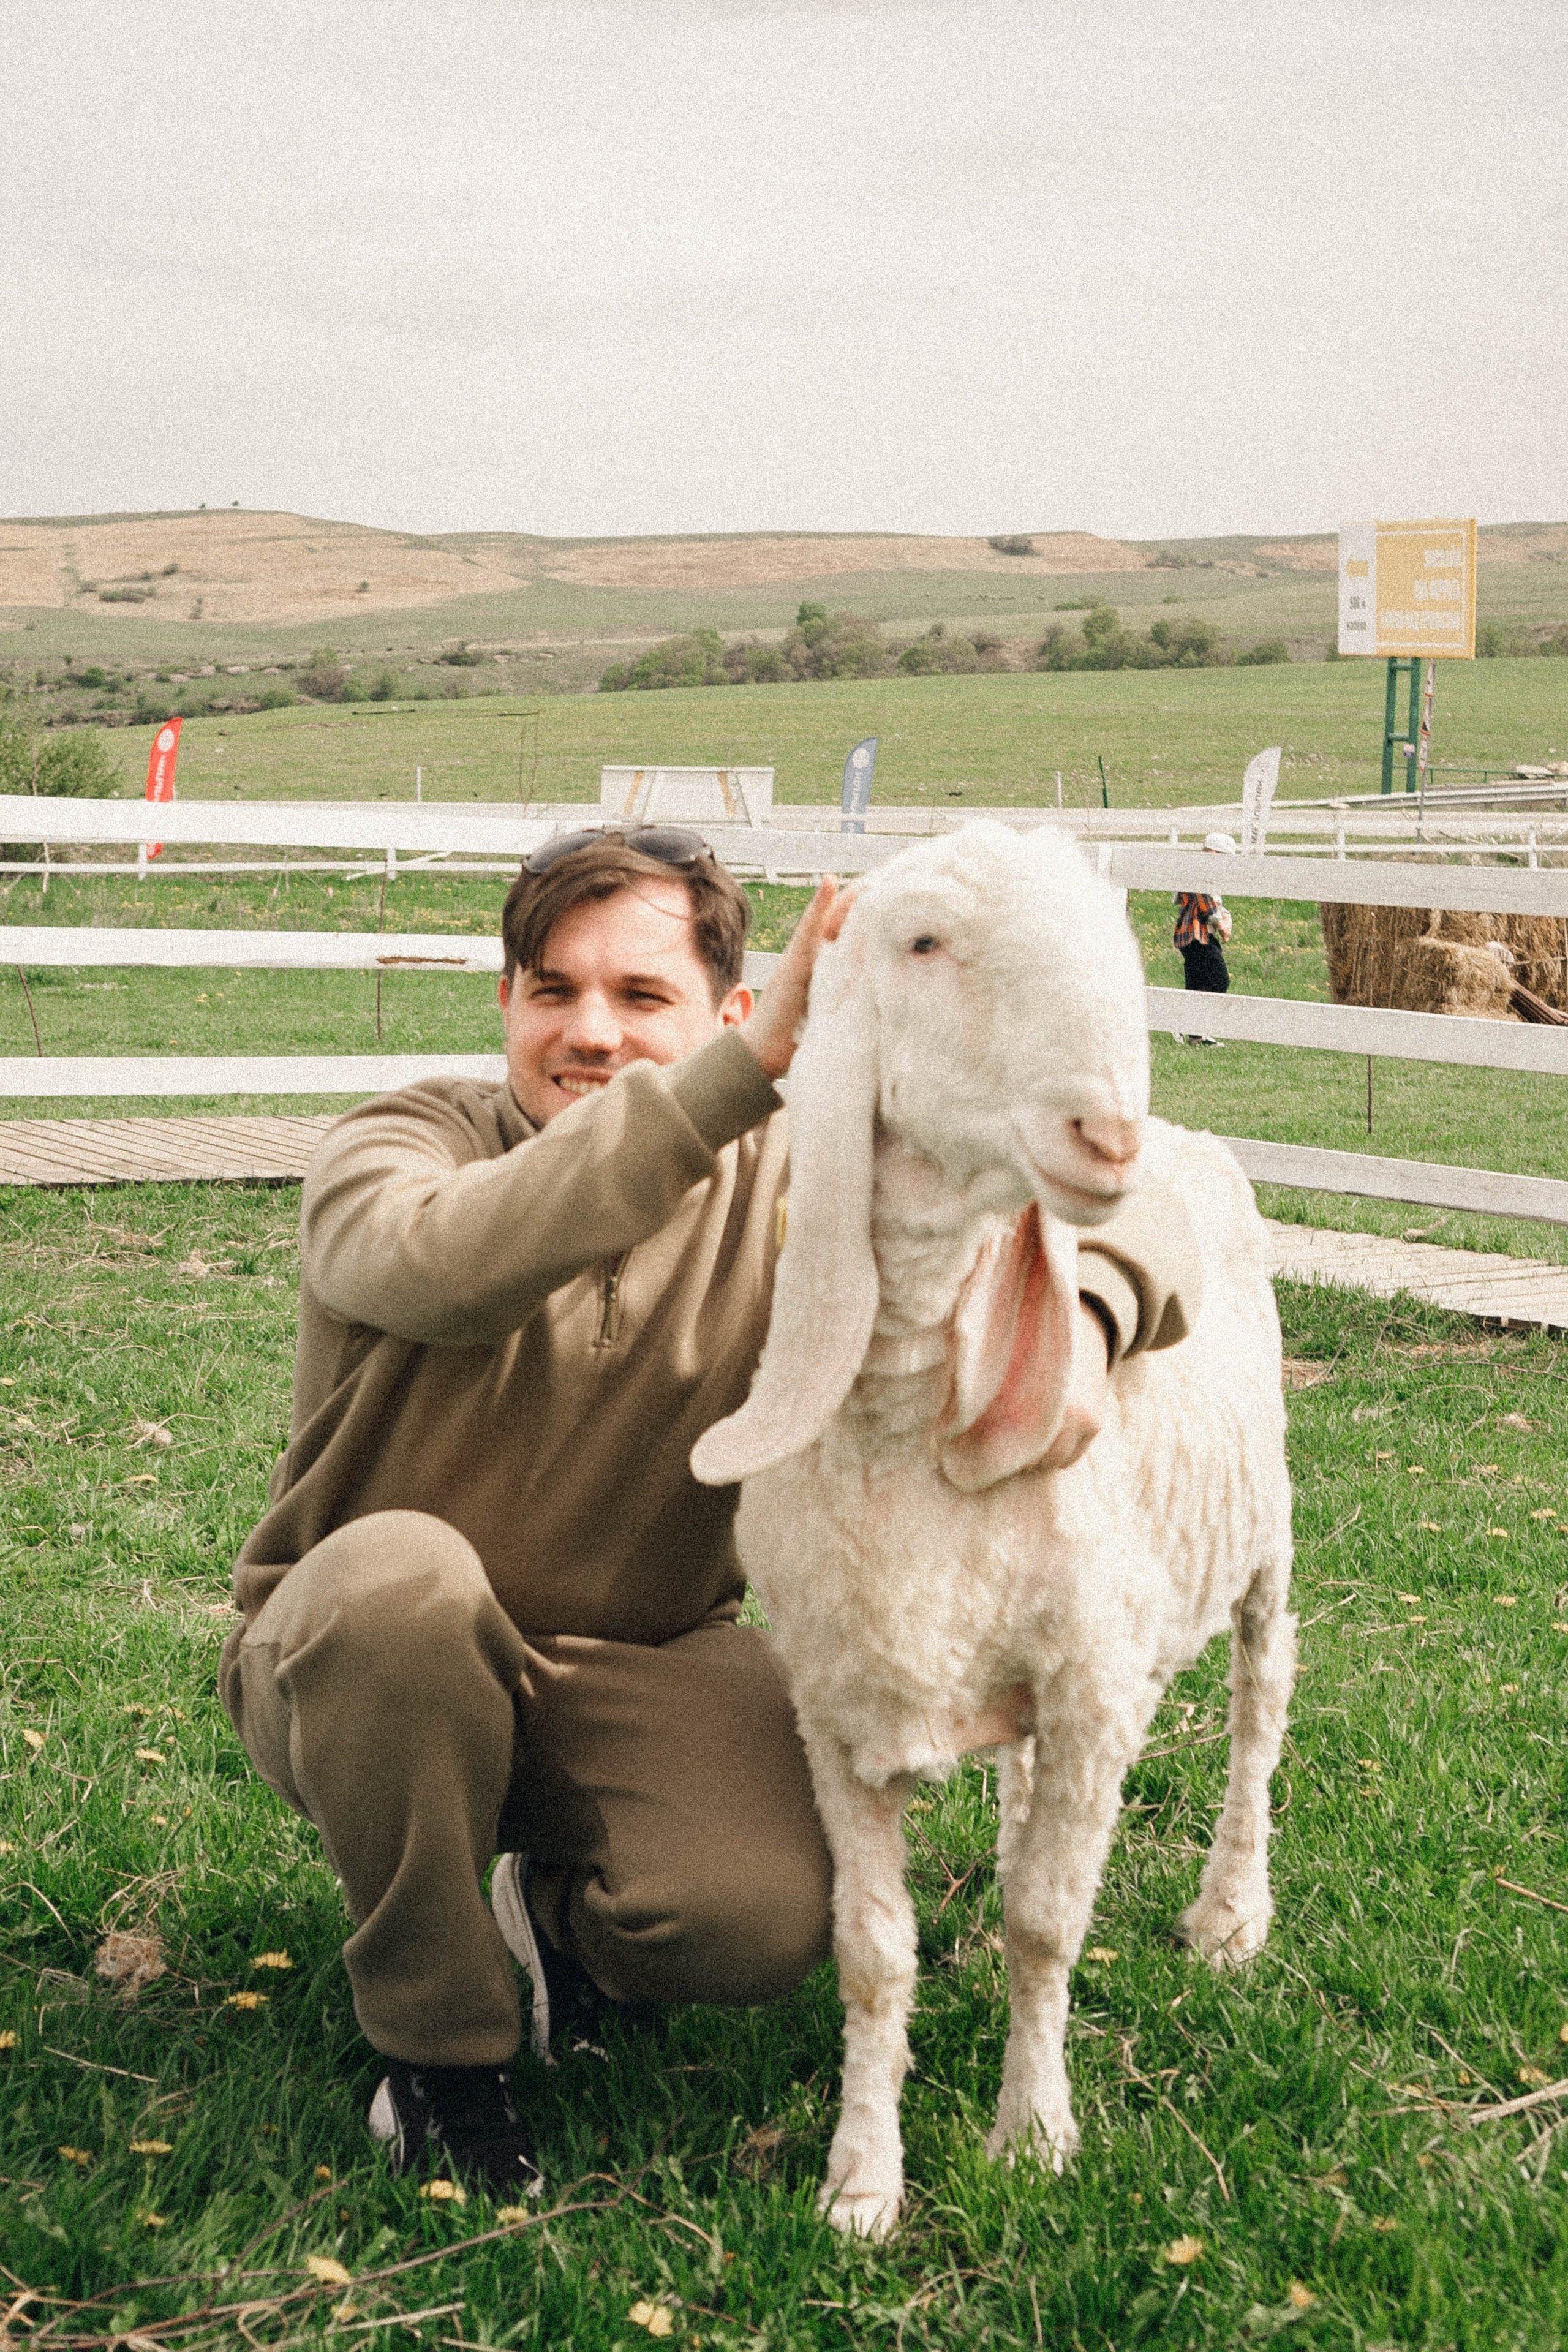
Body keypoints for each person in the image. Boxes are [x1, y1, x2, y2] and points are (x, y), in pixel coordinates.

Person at [219, 826, 1199, 2197]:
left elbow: (1144, 1205)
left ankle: (553, 1920)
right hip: (362, 1665)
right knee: (398, 1586)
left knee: (755, 1915)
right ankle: (441, 2054)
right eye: (552, 990)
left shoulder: (801, 1179)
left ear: (732, 1011)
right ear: (503, 1001)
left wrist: (1088, 1313)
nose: (590, 1033)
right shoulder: (399, 1146)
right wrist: (731, 1086)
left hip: (645, 1662)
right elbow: (435, 1266)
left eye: (641, 998)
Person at [1174, 831, 1236, 1044]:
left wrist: (1225, 916)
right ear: (1211, 853)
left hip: (1197, 936)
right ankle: (1193, 1027)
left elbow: (1216, 904)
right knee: (1219, 978)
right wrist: (1222, 925)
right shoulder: (1199, 873)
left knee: (1196, 982)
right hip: (1196, 935)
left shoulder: (1207, 876)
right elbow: (1205, 904)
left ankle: (1193, 1033)